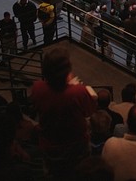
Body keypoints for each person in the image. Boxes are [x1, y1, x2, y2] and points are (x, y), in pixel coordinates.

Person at [31, 48, 97, 176]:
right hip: (76, 146)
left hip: (49, 145)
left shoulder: (37, 88)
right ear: (67, 71)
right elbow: (89, 110)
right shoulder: (77, 92)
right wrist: (73, 85)